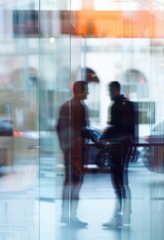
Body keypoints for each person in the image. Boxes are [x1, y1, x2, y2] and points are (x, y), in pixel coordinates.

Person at [56, 80, 101, 228]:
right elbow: (83, 130)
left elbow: (59, 128)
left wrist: (64, 148)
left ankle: (65, 215)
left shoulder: (66, 106)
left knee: (69, 184)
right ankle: (71, 216)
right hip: (76, 152)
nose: (87, 92)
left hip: (70, 151)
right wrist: (96, 140)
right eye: (86, 90)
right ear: (79, 90)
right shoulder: (80, 107)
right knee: (75, 184)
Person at [101, 81, 136, 229]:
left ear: (115, 89)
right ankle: (126, 213)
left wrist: (102, 138)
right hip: (126, 146)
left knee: (117, 181)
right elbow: (133, 128)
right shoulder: (128, 104)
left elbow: (113, 127)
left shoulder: (116, 106)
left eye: (110, 91)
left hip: (117, 147)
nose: (109, 94)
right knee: (123, 181)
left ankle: (118, 215)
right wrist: (133, 147)